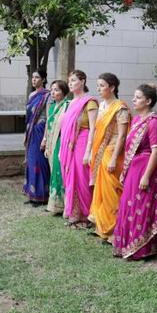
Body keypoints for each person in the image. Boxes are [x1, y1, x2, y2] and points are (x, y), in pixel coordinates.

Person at [113, 84, 157, 259]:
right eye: (134, 97)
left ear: (148, 101)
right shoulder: (136, 120)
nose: (134, 100)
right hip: (133, 168)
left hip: (145, 168)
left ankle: (142, 248)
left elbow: (156, 151)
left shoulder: (153, 122)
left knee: (141, 206)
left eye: (138, 97)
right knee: (128, 205)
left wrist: (146, 176)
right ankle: (127, 245)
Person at [88, 73, 130, 240]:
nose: (99, 89)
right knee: (102, 191)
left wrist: (113, 159)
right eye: (98, 85)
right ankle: (102, 227)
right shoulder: (102, 106)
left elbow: (122, 135)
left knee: (113, 191)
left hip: (113, 153)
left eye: (102, 85)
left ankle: (114, 231)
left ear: (112, 87)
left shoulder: (120, 108)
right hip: (101, 153)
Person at [59, 70, 98, 227]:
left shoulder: (90, 102)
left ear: (82, 81)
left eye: (74, 80)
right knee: (71, 178)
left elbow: (94, 128)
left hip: (83, 142)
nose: (70, 83)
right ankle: (75, 214)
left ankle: (87, 214)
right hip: (68, 145)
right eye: (69, 80)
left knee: (82, 177)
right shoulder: (70, 103)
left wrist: (88, 151)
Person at [43, 80, 71, 215]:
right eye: (52, 89)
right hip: (50, 142)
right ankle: (54, 203)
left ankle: (61, 205)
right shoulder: (52, 106)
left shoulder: (67, 105)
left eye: (57, 90)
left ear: (64, 92)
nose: (53, 92)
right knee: (53, 171)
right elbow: (48, 124)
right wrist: (44, 140)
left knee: (58, 172)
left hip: (60, 142)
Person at [24, 70, 51, 206]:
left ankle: (42, 195)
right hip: (31, 131)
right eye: (32, 77)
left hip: (40, 130)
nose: (34, 80)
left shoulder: (47, 95)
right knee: (31, 162)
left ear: (43, 79)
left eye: (37, 77)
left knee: (39, 162)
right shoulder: (32, 95)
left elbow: (48, 116)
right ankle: (32, 194)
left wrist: (45, 138)